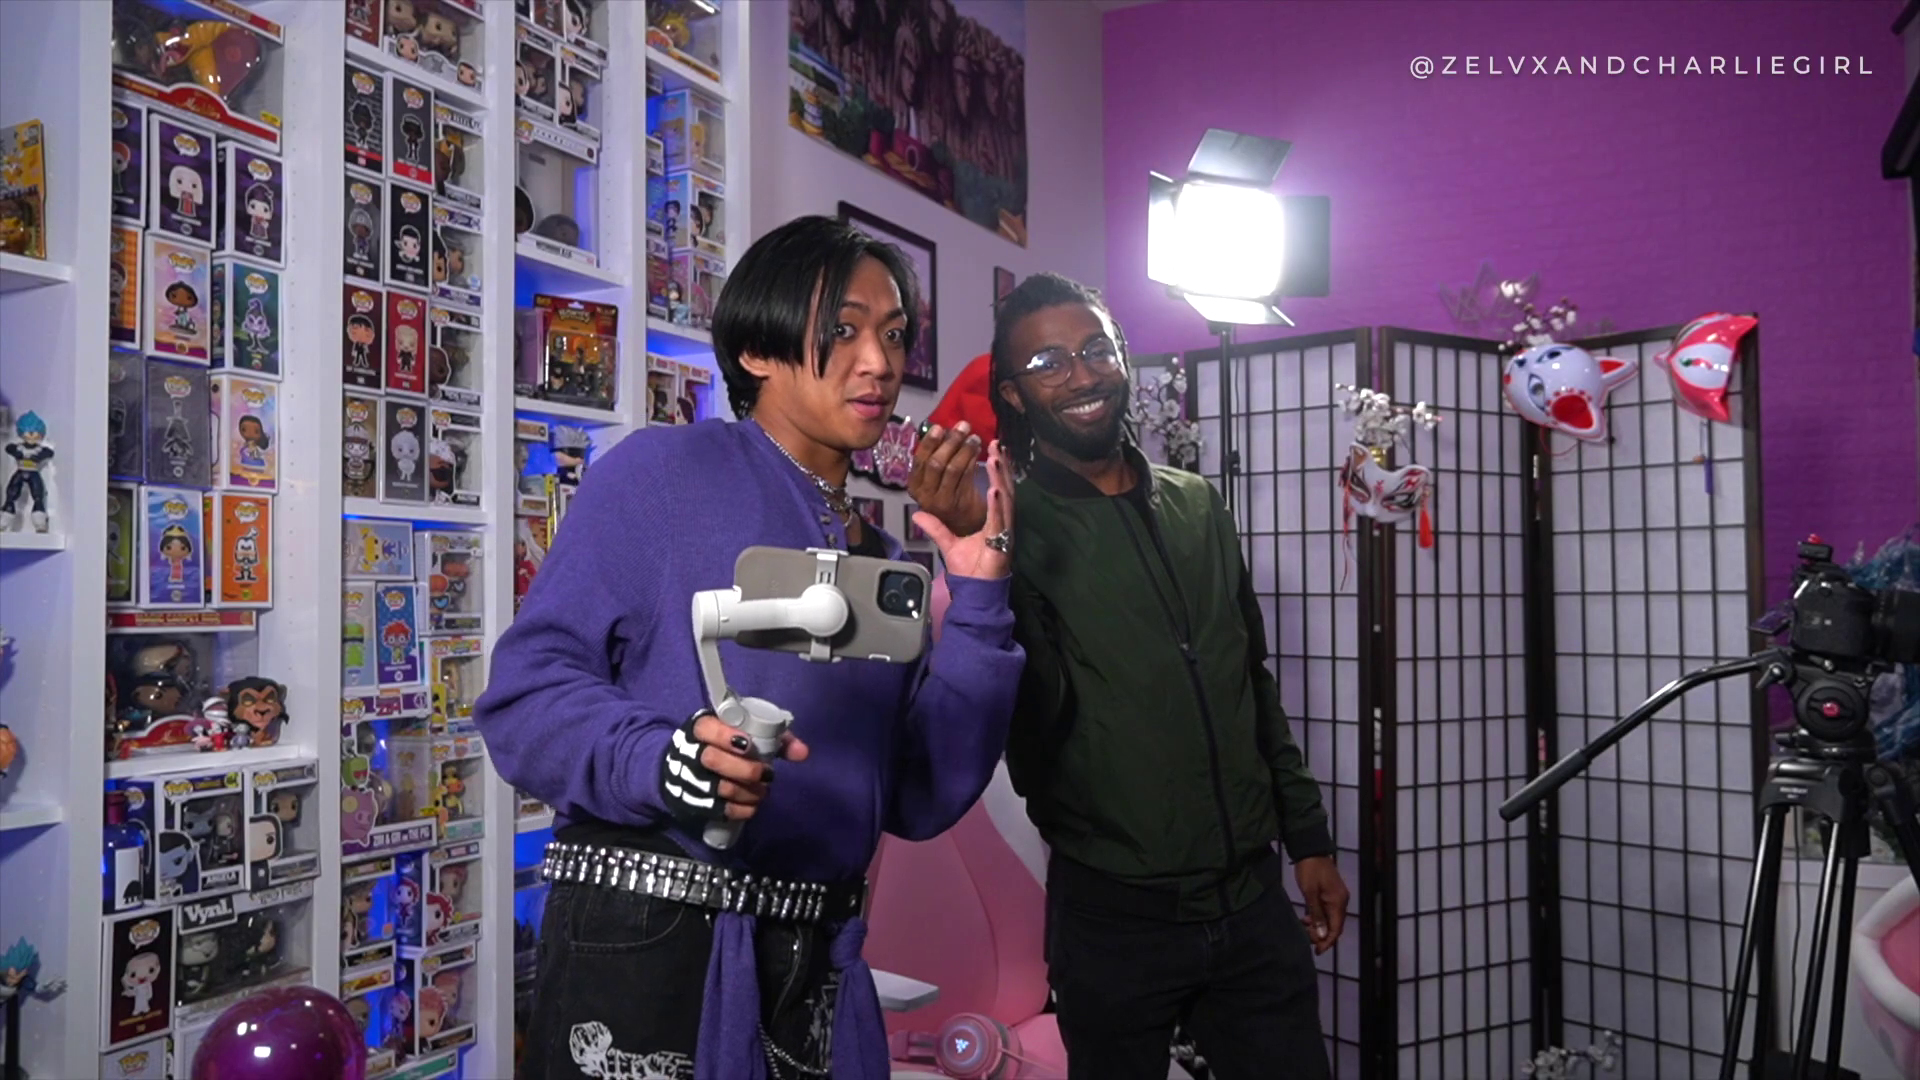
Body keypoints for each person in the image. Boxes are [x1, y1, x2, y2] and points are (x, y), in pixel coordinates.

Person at [477, 214, 1023, 1080]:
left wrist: (982, 592)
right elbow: (524, 696)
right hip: (653, 942)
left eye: (893, 334)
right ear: (757, 349)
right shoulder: (660, 474)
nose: (878, 362)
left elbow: (920, 794)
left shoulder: (879, 557)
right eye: (842, 330)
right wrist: (663, 761)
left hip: (818, 964)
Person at [913, 272, 1348, 1080]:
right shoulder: (1008, 530)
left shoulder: (1199, 506)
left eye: (1095, 349)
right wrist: (990, 569)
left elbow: (1251, 683)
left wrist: (1310, 841)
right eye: (1047, 362)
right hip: (1114, 919)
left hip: (1251, 904)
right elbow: (1031, 723)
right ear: (1013, 393)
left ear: (1122, 358)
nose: (1080, 374)